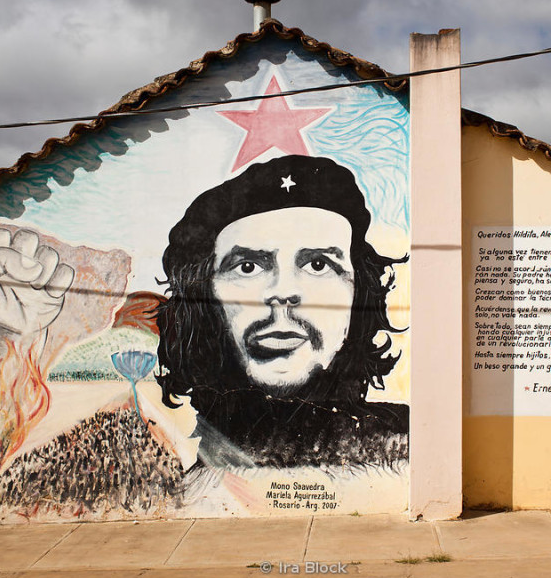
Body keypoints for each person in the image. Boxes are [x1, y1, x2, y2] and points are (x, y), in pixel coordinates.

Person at [155, 154, 409, 468]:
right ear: (203, 296)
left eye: (319, 265)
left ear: (360, 293)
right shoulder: (170, 478)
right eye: (247, 267)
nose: (282, 292)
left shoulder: (411, 448)